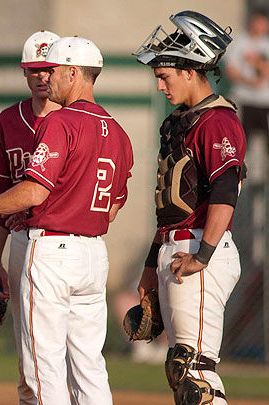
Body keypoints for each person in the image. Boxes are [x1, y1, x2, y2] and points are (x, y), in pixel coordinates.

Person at [0, 37, 133, 404]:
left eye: (53, 70)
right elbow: (114, 206)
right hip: (92, 254)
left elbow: (35, 191)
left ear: (73, 73)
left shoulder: (61, 121)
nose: (48, 77)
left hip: (52, 250)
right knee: (89, 366)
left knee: (44, 366)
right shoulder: (118, 130)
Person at [133, 10, 246, 404]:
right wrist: (151, 266)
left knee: (195, 372)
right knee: (183, 371)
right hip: (176, 246)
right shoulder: (183, 121)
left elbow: (226, 190)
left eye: (165, 76)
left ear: (190, 69)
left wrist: (203, 255)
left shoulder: (216, 121)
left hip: (199, 248)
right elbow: (169, 207)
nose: (161, 85)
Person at [0, 29, 61, 405]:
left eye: (50, 68)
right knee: (29, 360)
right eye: (35, 70)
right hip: (23, 245)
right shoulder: (7, 122)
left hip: (70, 243)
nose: (43, 77)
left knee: (76, 359)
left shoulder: (79, 120)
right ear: (24, 73)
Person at [225, 9, 269, 145]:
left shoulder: (266, 44)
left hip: (265, 101)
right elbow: (231, 71)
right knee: (242, 140)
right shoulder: (239, 42)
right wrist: (250, 82)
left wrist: (255, 62)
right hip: (244, 99)